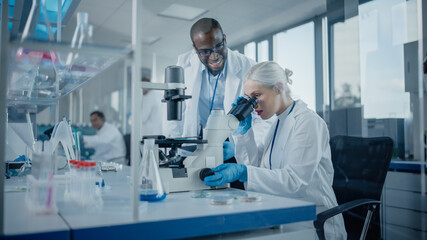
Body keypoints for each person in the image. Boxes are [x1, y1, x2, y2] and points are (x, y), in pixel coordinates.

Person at [203, 62, 347, 239]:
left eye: (257, 96)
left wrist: (243, 172)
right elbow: (257, 167)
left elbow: (294, 180)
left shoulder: (307, 122)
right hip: (282, 213)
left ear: (279, 88)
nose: (253, 105)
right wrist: (244, 134)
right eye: (249, 98)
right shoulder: (277, 123)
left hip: (314, 221)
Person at [163, 17, 273, 148]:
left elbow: (264, 119)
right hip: (197, 143)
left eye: (218, 46)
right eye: (205, 51)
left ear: (224, 39)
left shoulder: (249, 68)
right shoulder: (184, 66)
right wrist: (174, 146)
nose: (214, 56)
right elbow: (175, 117)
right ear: (195, 48)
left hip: (233, 144)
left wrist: (242, 148)